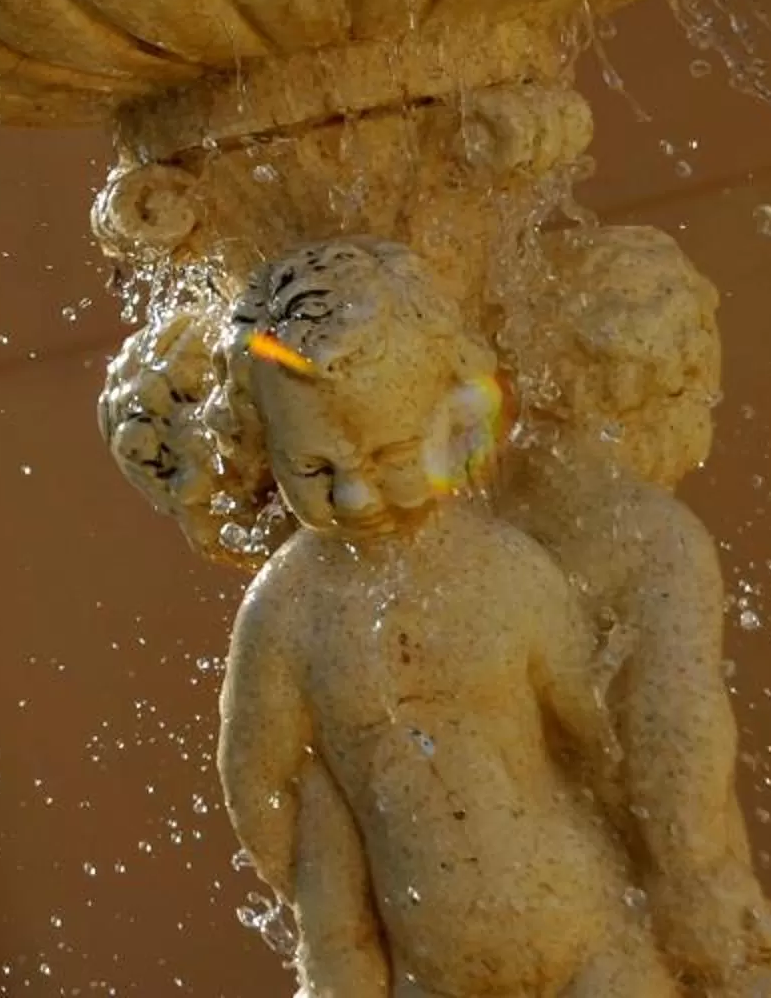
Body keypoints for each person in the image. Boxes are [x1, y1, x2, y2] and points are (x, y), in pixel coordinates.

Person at [218, 238, 674, 998]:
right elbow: (263, 791)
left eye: (391, 456)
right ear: (266, 446)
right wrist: (340, 929)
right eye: (316, 471)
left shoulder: (506, 568)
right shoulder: (286, 612)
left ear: (453, 413)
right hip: (427, 973)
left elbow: (596, 740)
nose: (357, 499)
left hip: (591, 938)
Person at [498, 227, 771, 998]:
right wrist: (697, 880)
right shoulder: (654, 535)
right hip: (612, 890)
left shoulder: (488, 518)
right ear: (664, 376)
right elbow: (674, 726)